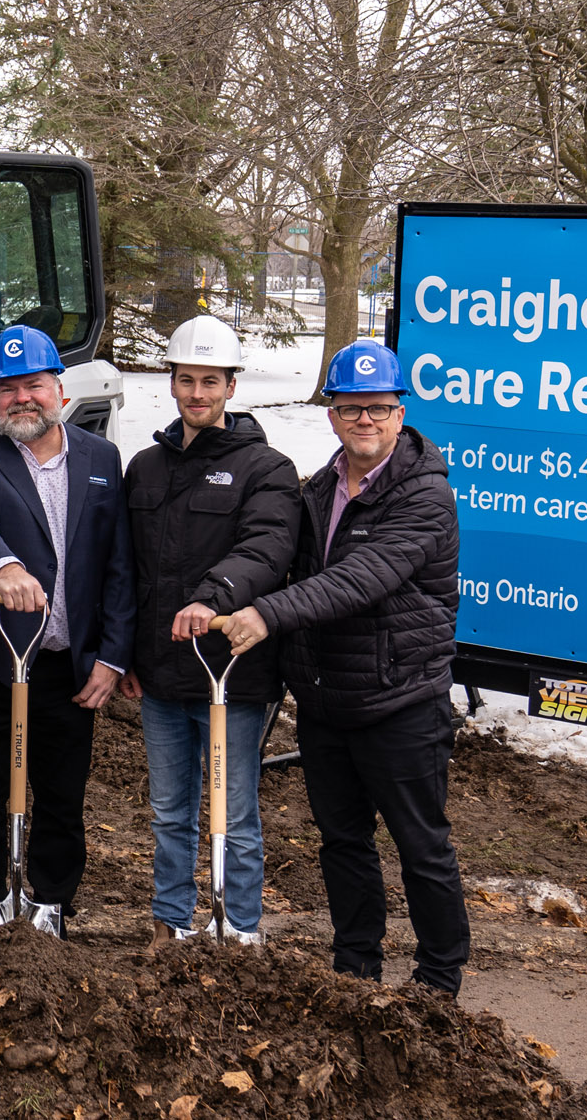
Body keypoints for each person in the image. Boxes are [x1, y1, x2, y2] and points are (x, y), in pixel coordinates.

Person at [220, 339, 468, 993]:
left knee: (422, 846)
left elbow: (361, 578)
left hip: (400, 700)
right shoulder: (320, 488)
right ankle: (356, 969)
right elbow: (284, 560)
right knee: (343, 842)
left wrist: (267, 614)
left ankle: (438, 980)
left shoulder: (425, 496)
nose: (365, 419)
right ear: (332, 414)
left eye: (378, 408)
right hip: (327, 701)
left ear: (399, 414)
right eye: (352, 407)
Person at [0, 324, 134, 939]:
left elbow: (118, 563)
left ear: (59, 390)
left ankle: (51, 904)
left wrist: (113, 655)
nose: (21, 398)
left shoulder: (101, 458)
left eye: (34, 385)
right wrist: (4, 566)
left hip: (66, 663)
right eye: (7, 388)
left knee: (62, 794)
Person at [119, 315, 298, 947]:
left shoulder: (266, 469)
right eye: (187, 380)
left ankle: (239, 930)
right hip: (161, 675)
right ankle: (171, 922)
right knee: (170, 812)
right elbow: (128, 570)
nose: (197, 393)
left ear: (230, 387)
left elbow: (267, 548)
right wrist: (126, 653)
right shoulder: (144, 468)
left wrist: (211, 598)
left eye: (211, 381)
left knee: (235, 813)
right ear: (171, 382)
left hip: (232, 672)